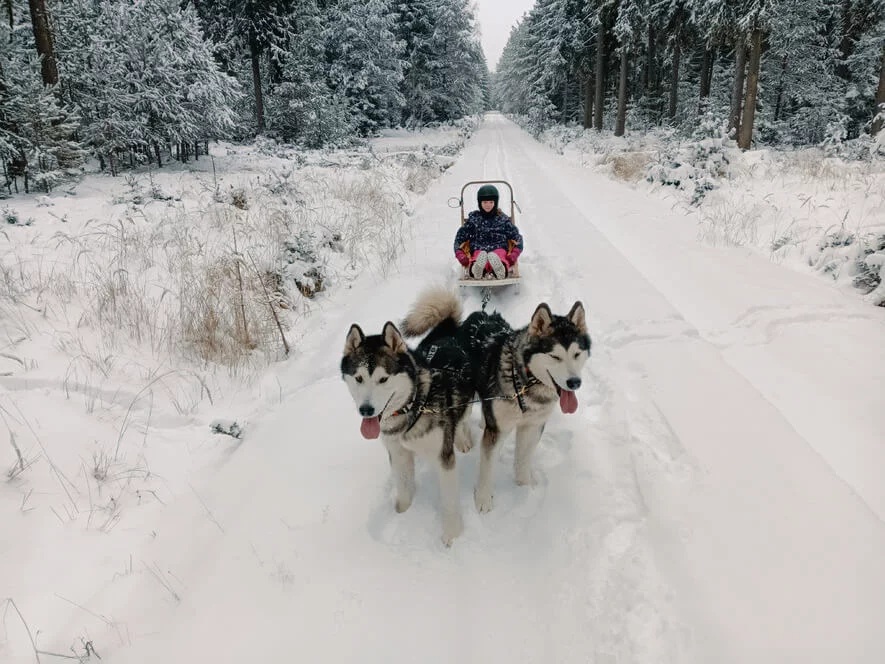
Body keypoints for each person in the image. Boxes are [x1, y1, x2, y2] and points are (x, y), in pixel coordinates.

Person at [454, 185, 523, 279]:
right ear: (479, 203)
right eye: (485, 202)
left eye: (491, 202)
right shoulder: (474, 219)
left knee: (499, 256)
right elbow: (459, 238)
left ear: (496, 202)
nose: (488, 205)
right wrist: (460, 255)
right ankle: (476, 269)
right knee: (479, 256)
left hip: (499, 247)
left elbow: (517, 238)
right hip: (479, 247)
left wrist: (514, 254)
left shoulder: (502, 219)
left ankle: (500, 269)